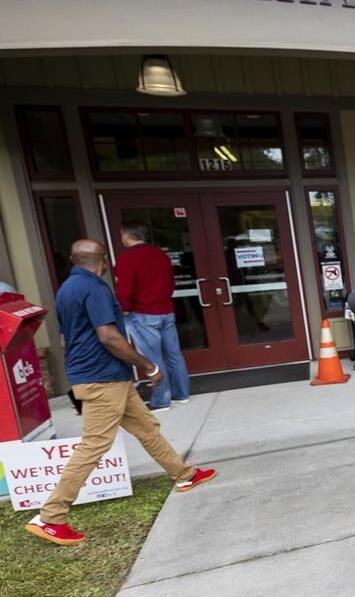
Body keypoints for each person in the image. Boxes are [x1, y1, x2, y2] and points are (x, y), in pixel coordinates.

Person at [25, 240, 216, 547]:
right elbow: (108, 336)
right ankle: (51, 517)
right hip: (102, 379)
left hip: (106, 376)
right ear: (103, 261)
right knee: (95, 444)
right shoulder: (96, 289)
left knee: (146, 427)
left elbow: (65, 336)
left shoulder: (66, 289)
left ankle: (184, 474)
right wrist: (148, 365)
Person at [115, 222, 191, 412]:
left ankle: (161, 400)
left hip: (143, 313)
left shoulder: (126, 259)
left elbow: (124, 289)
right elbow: (170, 283)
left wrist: (124, 309)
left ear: (126, 235)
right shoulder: (161, 255)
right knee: (174, 354)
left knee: (152, 357)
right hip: (166, 310)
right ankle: (182, 394)